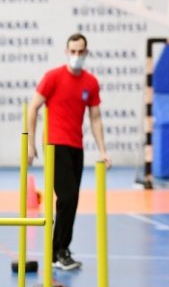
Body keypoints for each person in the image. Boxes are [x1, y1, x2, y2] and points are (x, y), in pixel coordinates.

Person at [27, 33, 111, 271]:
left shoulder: (91, 83)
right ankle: (58, 251)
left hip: (77, 146)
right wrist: (31, 144)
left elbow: (95, 117)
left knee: (70, 201)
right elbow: (33, 108)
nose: (76, 56)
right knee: (67, 197)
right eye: (72, 51)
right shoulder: (52, 77)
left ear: (86, 53)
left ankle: (61, 249)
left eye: (80, 52)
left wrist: (103, 150)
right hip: (55, 145)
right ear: (66, 52)